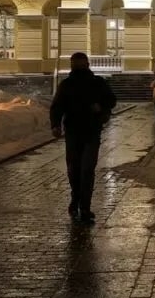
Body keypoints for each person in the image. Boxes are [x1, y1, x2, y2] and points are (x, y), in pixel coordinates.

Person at [50, 52, 117, 223]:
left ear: (87, 64)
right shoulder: (67, 85)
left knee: (87, 169)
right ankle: (76, 198)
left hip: (91, 132)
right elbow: (57, 106)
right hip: (73, 132)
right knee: (74, 169)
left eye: (81, 63)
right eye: (75, 63)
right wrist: (55, 124)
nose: (78, 66)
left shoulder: (97, 83)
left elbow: (111, 100)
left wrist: (100, 108)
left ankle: (85, 207)